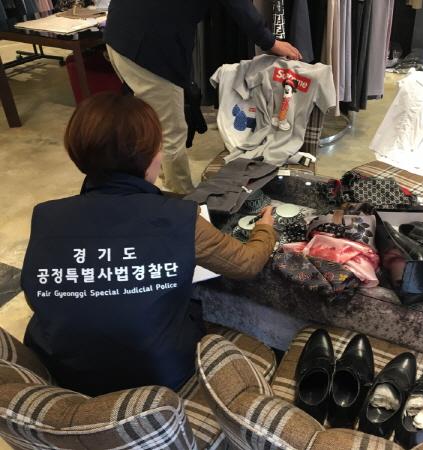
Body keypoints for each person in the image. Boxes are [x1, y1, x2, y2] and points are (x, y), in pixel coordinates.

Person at [20, 92, 277, 397]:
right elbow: (247, 263)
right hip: (160, 374)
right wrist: (265, 229)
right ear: (151, 156)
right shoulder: (179, 218)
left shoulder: (47, 217)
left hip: (65, 374)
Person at [104, 0, 302, 194]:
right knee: (171, 130)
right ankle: (179, 195)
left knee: (149, 120)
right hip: (148, 47)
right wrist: (269, 41)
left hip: (121, 32)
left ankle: (152, 182)